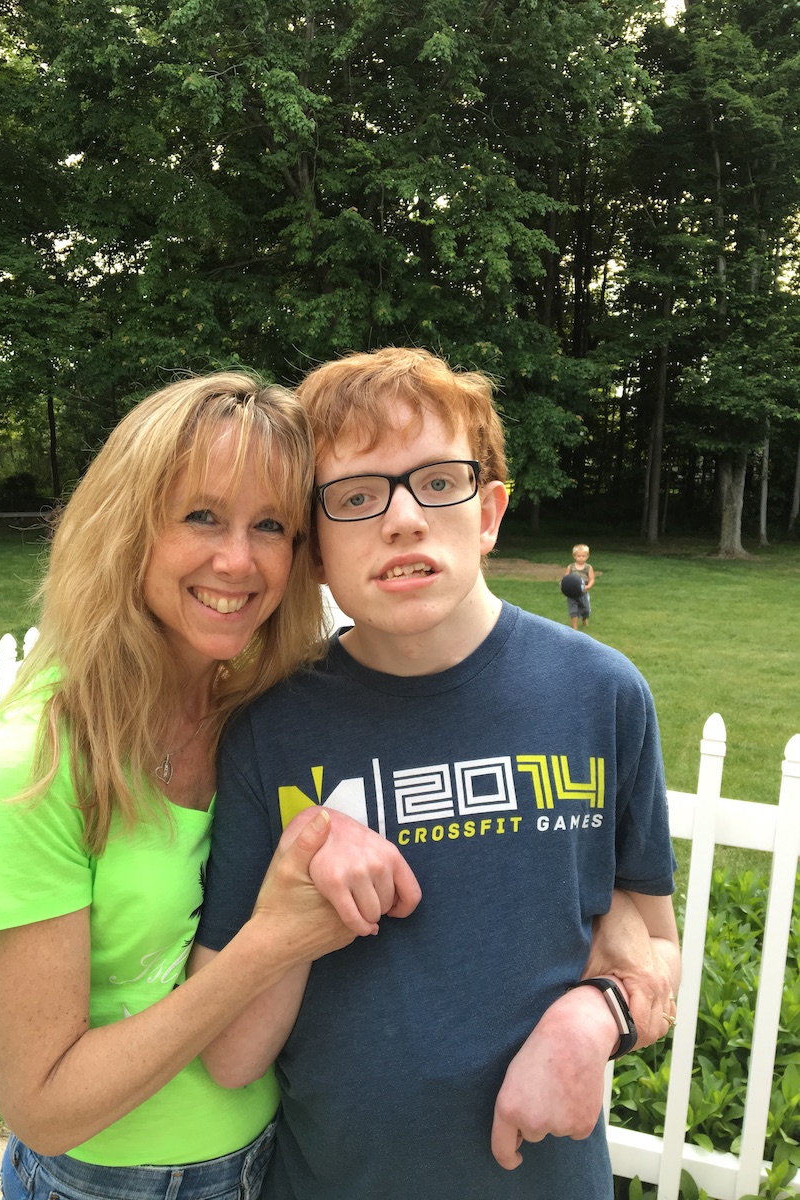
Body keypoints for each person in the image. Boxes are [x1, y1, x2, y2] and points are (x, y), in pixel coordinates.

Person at [195, 348, 681, 1200]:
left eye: (439, 482)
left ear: (488, 511)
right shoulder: (269, 729)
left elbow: (656, 944)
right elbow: (230, 1054)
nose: (404, 520)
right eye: (355, 496)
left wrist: (592, 1018)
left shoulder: (601, 696)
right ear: (314, 551)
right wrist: (296, 883)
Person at [0, 372, 420, 1200]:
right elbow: (43, 1107)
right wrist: (269, 943)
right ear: (128, 528)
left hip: (274, 1160)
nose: (237, 560)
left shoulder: (254, 710)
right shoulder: (38, 763)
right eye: (201, 515)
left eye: (270, 525)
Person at [565, 542, 595, 630]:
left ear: (587, 556)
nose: (581, 558)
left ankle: (584, 619)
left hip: (583, 592)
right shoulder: (570, 567)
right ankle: (575, 627)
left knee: (585, 609)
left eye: (583, 556)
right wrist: (564, 587)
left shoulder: (588, 567)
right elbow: (566, 579)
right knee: (573, 609)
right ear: (574, 556)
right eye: (579, 556)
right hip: (572, 593)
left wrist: (588, 586)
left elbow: (592, 579)